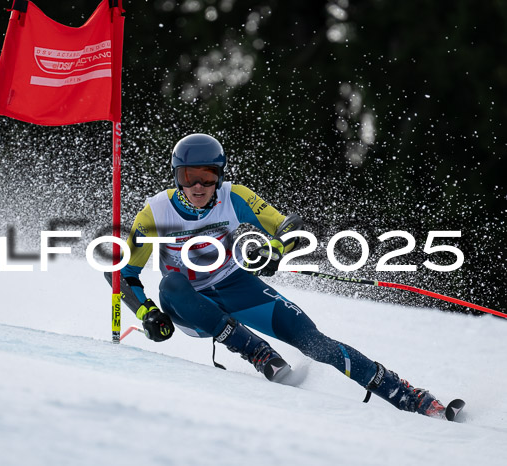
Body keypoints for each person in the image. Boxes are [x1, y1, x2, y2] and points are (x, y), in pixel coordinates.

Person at [120, 133, 451, 419]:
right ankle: (257, 352)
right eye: (189, 176)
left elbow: (289, 225)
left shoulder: (234, 197)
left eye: (207, 177)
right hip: (189, 305)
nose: (198, 186)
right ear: (176, 176)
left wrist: (275, 248)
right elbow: (123, 273)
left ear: (219, 177)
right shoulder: (156, 213)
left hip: (236, 286)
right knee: (172, 283)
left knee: (316, 343)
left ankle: (410, 397)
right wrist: (146, 312)